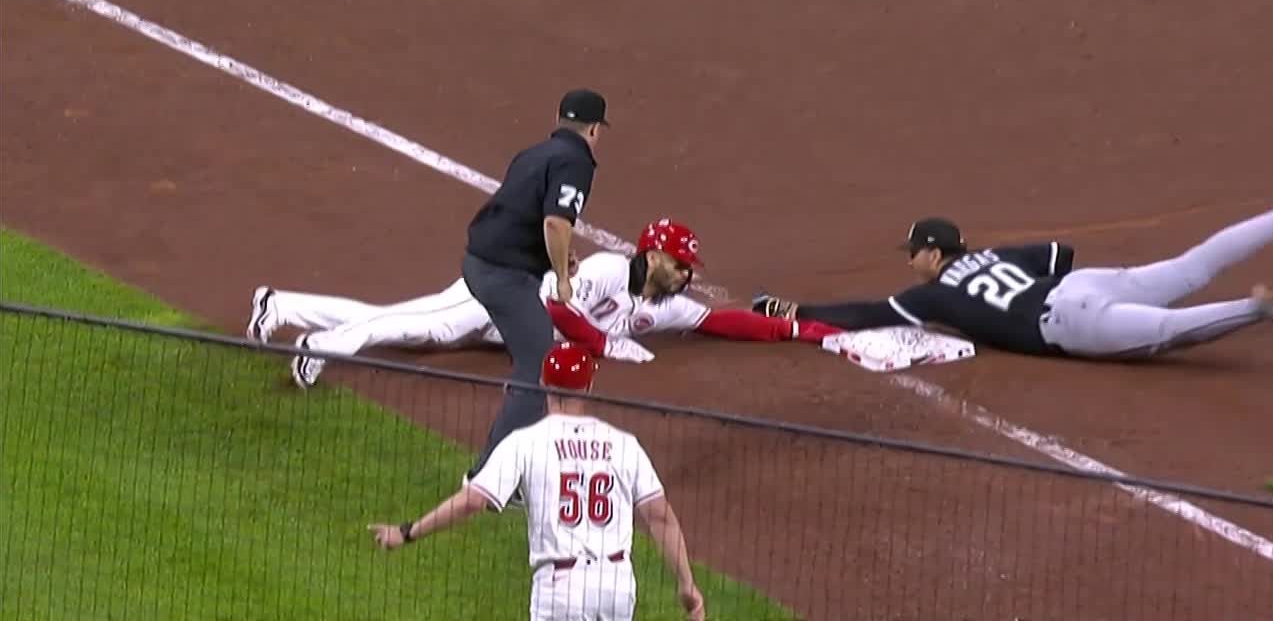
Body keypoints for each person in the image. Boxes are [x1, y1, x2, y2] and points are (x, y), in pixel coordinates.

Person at [247, 219, 841, 388]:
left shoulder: (667, 306)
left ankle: (280, 307)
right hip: (500, 302)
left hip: (507, 329)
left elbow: (723, 322)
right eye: (682, 264)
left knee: (402, 323)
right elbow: (557, 310)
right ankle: (320, 345)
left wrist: (796, 330)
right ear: (654, 254)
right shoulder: (607, 269)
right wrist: (603, 343)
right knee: (423, 331)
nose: (688, 275)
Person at [751, 194, 1273, 360]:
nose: (910, 262)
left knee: (1167, 334)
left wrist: (795, 311)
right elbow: (1060, 252)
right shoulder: (1000, 255)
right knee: (1191, 266)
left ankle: (1256, 309)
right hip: (1085, 285)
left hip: (1068, 319)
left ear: (933, 253)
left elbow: (867, 315)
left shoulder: (932, 294)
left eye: (914, 253)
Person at [369, 342, 704, 621]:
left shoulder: (526, 441)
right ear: (588, 387)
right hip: (616, 586)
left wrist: (408, 532)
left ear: (543, 382)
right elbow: (659, 516)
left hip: (561, 588)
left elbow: (472, 500)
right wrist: (687, 583)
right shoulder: (623, 444)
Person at [461, 89, 608, 480]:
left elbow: (524, 213)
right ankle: (490, 476)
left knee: (533, 363)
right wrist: (562, 278)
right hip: (502, 274)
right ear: (595, 129)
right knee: (539, 366)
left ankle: (509, 463)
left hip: (485, 262)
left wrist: (560, 255)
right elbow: (555, 222)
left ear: (558, 117)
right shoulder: (577, 162)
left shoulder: (534, 154)